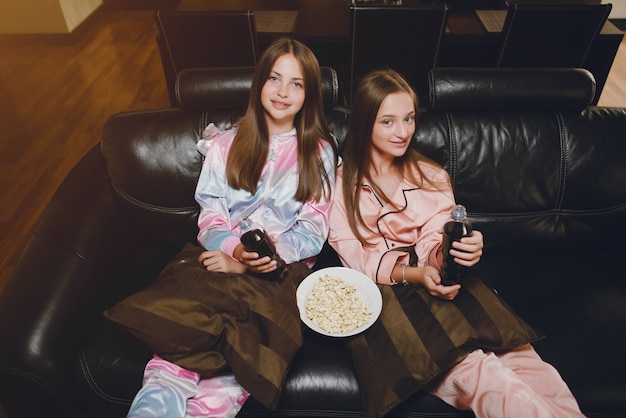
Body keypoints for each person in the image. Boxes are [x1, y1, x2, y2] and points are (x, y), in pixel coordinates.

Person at [328, 69, 584, 418]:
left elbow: (437, 235)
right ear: (363, 123)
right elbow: (357, 257)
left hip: (442, 284)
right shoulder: (337, 186)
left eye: (409, 119)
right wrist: (413, 274)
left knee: (531, 368)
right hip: (385, 298)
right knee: (486, 379)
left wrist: (455, 254)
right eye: (387, 121)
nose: (402, 132)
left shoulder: (431, 175)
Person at [104, 37, 337, 417]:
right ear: (259, 82)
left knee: (234, 366)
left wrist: (266, 255)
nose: (282, 92)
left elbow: (314, 227)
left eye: (296, 84)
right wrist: (233, 251)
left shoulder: (321, 152)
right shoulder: (227, 143)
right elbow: (210, 213)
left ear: (308, 94)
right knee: (173, 361)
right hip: (218, 262)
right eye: (274, 79)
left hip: (279, 275)